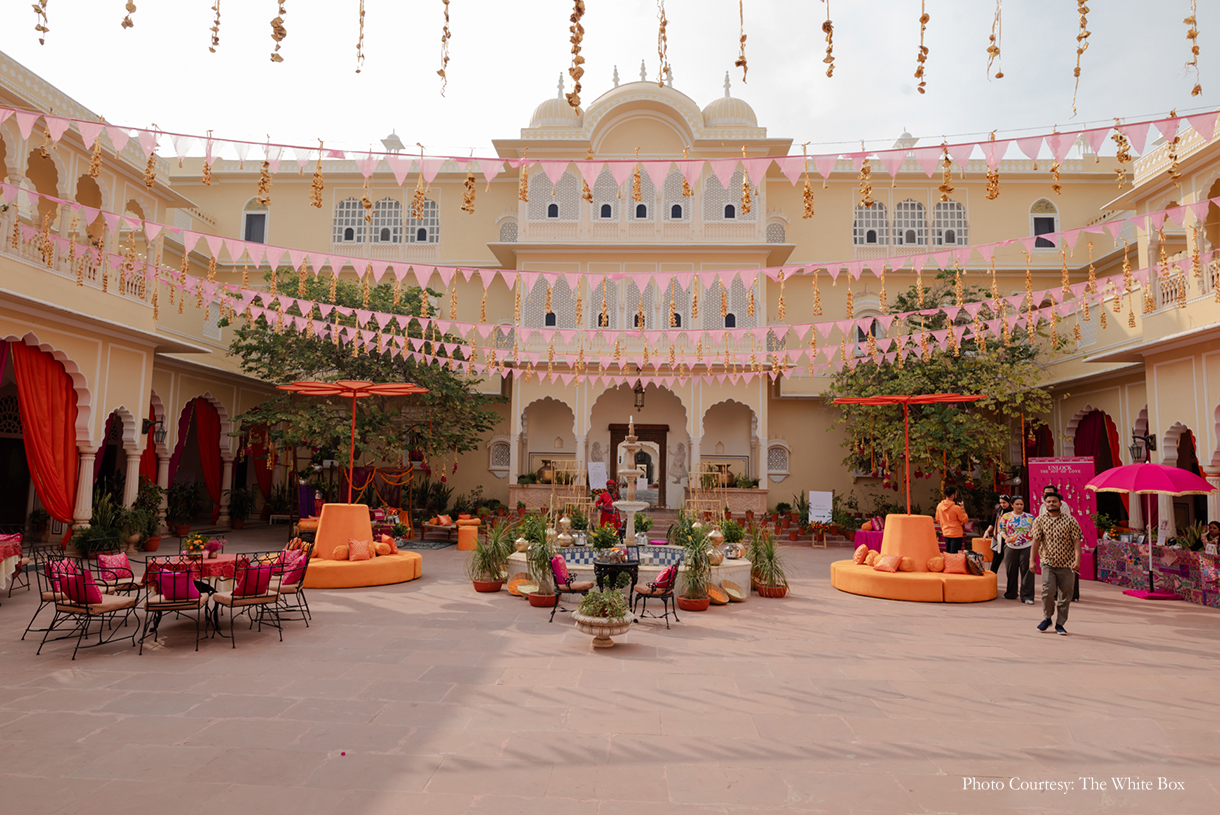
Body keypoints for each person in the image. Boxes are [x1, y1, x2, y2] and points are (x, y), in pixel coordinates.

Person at [1030, 492, 1083, 635]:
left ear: (1060, 504)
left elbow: (1077, 542)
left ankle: (1060, 623)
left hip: (1067, 564)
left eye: (1054, 501)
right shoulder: (1039, 520)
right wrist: (1032, 560)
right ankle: (1047, 618)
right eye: (1048, 502)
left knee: (1065, 594)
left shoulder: (1071, 521)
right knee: (1047, 591)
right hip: (1048, 562)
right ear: (1045, 504)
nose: (1051, 504)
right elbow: (1036, 541)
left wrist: (1077, 560)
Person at [999, 497, 1034, 603]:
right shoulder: (1006, 516)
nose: (1019, 506)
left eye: (1021, 504)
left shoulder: (1030, 517)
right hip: (1011, 547)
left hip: (1027, 546)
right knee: (1011, 571)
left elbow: (1036, 531)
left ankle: (1027, 596)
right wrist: (1006, 538)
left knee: (1027, 572)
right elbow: (1001, 529)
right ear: (1012, 505)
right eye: (1017, 504)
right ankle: (1011, 593)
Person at [984, 494, 1012, 575]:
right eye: (1001, 503)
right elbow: (992, 524)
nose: (1002, 504)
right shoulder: (998, 511)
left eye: (1004, 502)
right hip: (999, 539)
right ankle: (992, 580)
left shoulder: (1012, 512)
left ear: (1009, 502)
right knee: (995, 561)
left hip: (1010, 539)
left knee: (1010, 563)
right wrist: (987, 531)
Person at [935, 486, 969, 554]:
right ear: (953, 495)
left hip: (946, 533)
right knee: (954, 556)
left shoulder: (940, 506)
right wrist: (963, 507)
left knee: (948, 555)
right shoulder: (956, 508)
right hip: (956, 534)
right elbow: (965, 519)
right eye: (956, 494)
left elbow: (938, 519)